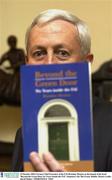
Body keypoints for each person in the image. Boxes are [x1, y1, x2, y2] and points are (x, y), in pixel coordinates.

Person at [12, 9, 112, 171]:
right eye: (39, 53)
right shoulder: (23, 134)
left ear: (86, 63)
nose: (49, 64)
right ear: (27, 63)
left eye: (62, 53)